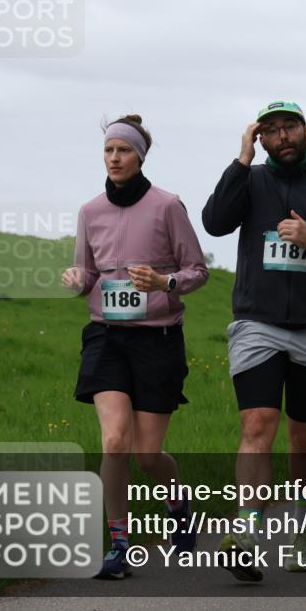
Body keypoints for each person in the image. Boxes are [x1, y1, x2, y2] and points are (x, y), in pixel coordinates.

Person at [202, 101, 306, 577]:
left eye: (288, 127)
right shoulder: (250, 179)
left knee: (304, 434)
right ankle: (247, 530)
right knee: (256, 425)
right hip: (258, 323)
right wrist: (241, 160)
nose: (282, 136)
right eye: (270, 131)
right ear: (261, 139)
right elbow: (214, 223)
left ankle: (302, 527)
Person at [63, 115, 209, 580]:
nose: (114, 158)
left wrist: (165, 281)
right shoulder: (90, 211)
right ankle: (118, 543)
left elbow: (197, 271)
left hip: (158, 339)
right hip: (106, 336)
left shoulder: (167, 206)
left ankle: (178, 500)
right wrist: (76, 280)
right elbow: (86, 273)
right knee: (113, 442)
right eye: (108, 151)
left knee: (147, 455)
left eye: (123, 151)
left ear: (139, 156)